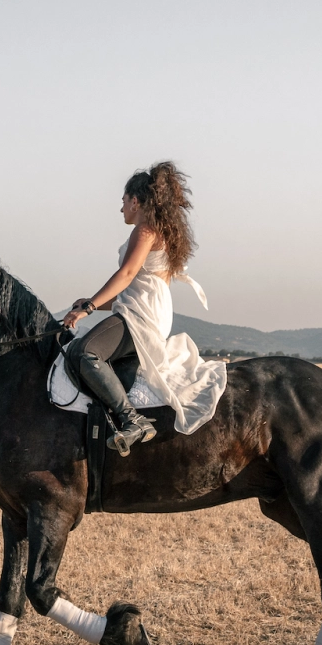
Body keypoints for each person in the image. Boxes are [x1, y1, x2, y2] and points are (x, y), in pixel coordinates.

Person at [60, 162, 228, 455]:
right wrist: (96, 304)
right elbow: (135, 284)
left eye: (123, 202)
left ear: (135, 201)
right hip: (146, 309)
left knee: (85, 351)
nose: (121, 209)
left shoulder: (145, 230)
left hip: (140, 315)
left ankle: (131, 419)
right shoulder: (156, 231)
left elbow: (125, 275)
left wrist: (88, 307)